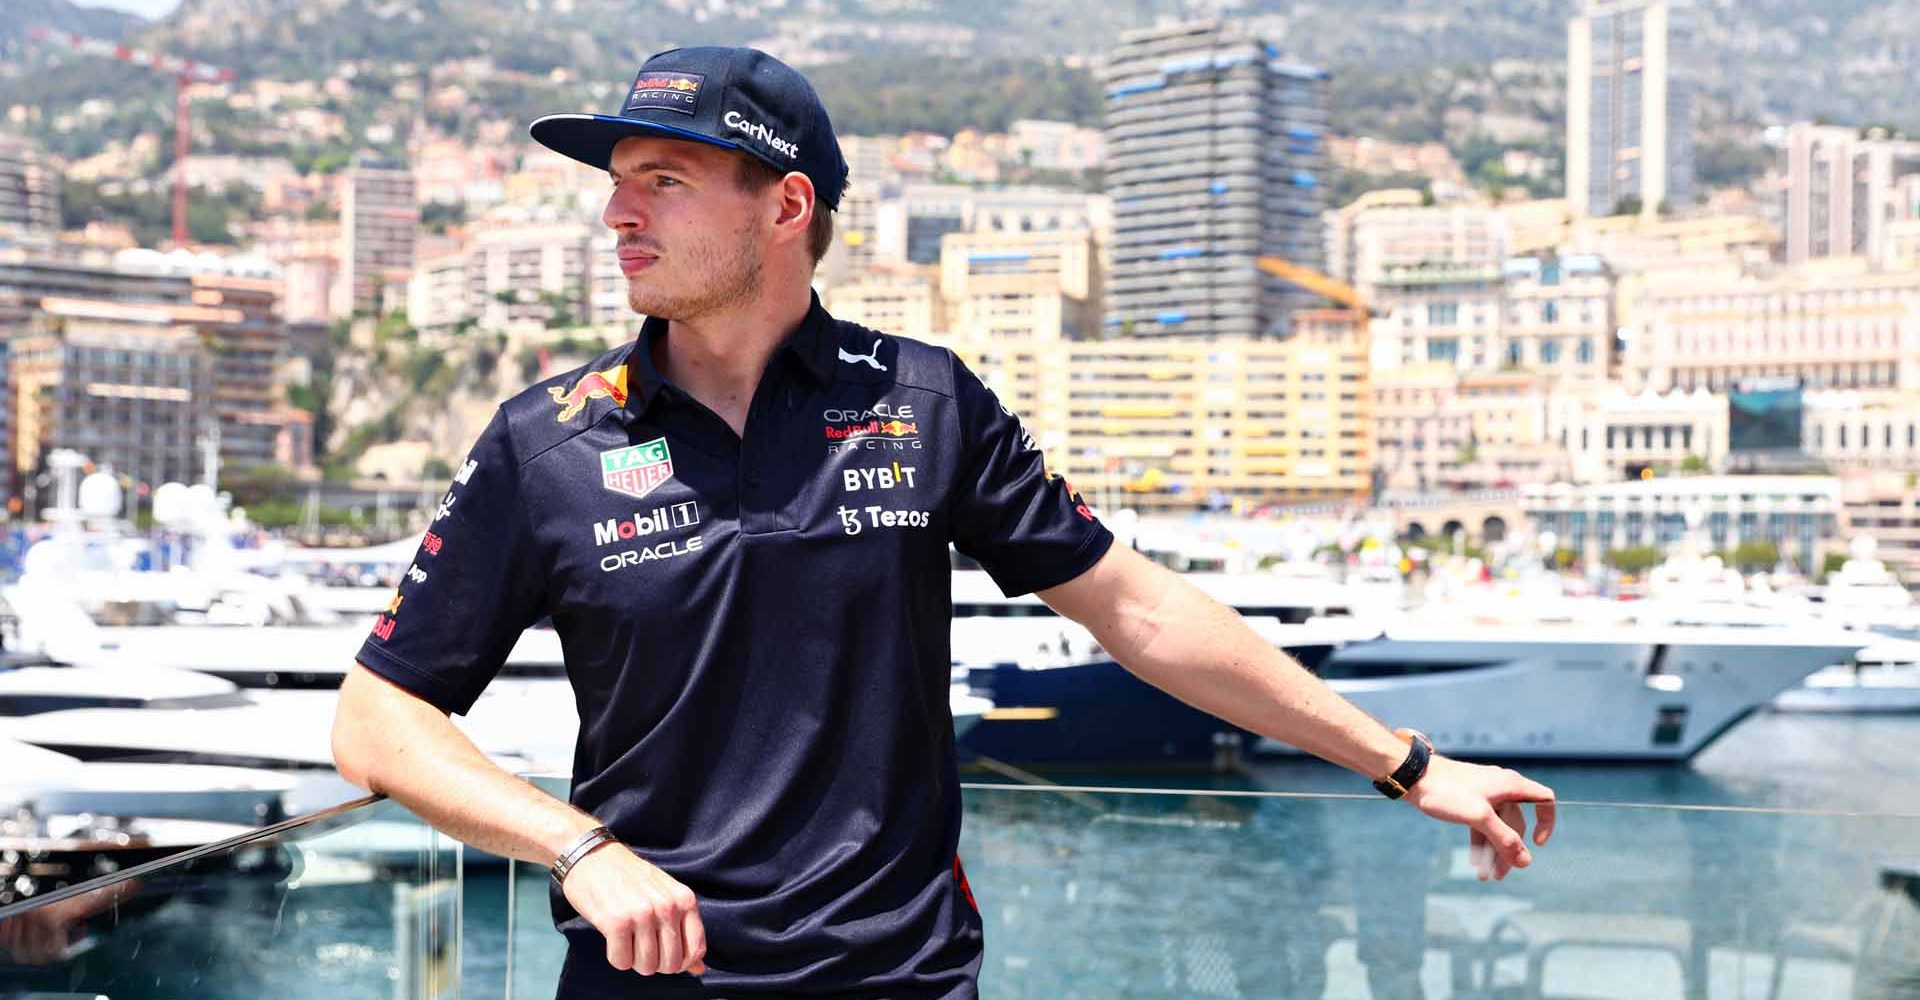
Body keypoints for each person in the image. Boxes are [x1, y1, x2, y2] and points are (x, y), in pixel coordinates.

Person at [329, 45, 1557, 1000]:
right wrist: (577, 848)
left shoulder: (925, 401)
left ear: (786, 204)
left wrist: (1407, 764)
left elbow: (1136, 608)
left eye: (664, 179)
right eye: (617, 184)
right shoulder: (547, 441)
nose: (618, 216)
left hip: (900, 978)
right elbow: (377, 719)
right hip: (645, 978)